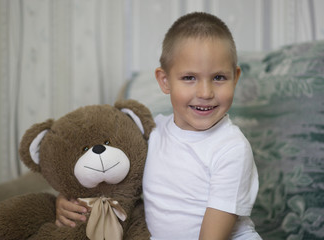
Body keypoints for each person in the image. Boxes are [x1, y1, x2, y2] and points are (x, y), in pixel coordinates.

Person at [56, 12, 261, 240]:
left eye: (219, 78)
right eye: (189, 78)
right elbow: (109, 179)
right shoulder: (152, 133)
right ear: (165, 81)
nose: (205, 93)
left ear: (236, 77)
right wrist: (71, 201)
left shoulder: (232, 148)